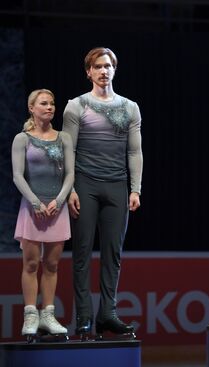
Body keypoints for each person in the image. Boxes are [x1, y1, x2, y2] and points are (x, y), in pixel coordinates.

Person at [63, 47, 143, 339]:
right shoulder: (76, 106)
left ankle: (107, 313)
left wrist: (135, 188)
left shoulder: (130, 107)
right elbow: (67, 149)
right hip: (85, 185)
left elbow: (135, 151)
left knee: (113, 253)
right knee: (82, 252)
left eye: (108, 65)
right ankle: (83, 317)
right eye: (97, 66)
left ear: (114, 69)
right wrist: (70, 187)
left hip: (117, 186)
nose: (103, 70)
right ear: (89, 72)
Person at [12, 89, 74, 340]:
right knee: (30, 263)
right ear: (32, 108)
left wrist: (59, 201)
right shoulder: (22, 139)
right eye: (44, 103)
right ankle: (30, 315)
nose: (50, 107)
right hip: (32, 208)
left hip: (56, 210)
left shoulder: (64, 138)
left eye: (52, 104)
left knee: (52, 264)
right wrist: (35, 202)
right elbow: (17, 175)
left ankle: (48, 314)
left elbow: (70, 174)